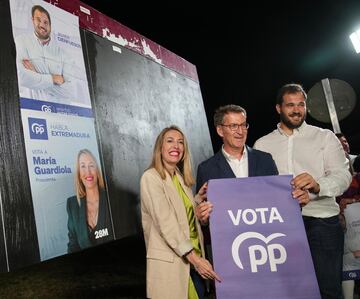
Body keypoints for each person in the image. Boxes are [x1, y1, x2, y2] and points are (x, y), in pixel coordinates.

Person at [254, 83, 352, 299]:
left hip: (322, 221)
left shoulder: (324, 137)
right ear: (279, 108)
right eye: (290, 105)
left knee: (328, 289)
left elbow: (343, 176)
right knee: (290, 291)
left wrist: (317, 186)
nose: (296, 110)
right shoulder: (262, 145)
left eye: (301, 104)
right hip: (280, 226)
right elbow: (257, 188)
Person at [140, 125, 221, 299]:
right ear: (160, 148)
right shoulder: (151, 178)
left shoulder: (179, 177)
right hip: (175, 262)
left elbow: (184, 215)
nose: (176, 146)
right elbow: (166, 223)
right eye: (170, 141)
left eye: (180, 142)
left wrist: (198, 199)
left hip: (192, 262)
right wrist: (196, 260)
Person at [14, 5, 80, 103]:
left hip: (61, 111)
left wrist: (36, 75)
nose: (42, 25)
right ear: (32, 20)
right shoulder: (21, 41)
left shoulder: (63, 54)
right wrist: (53, 79)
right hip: (32, 109)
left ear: (50, 25)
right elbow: (22, 77)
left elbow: (71, 91)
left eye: (46, 22)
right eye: (38, 20)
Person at [67, 149, 113, 253]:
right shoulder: (72, 205)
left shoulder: (111, 198)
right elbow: (73, 245)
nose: (88, 172)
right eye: (83, 166)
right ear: (79, 173)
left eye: (91, 165)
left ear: (97, 170)